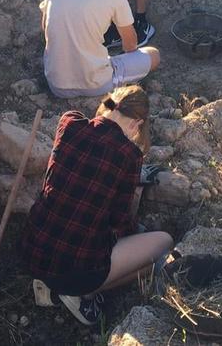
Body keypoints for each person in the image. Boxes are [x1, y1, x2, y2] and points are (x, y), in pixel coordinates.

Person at [20, 86, 173, 326]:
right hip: (76, 268)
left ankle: (52, 285)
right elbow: (119, 223)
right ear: (137, 123)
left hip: (34, 250)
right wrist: (138, 232)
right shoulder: (129, 155)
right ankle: (81, 294)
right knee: (164, 243)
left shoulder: (69, 123)